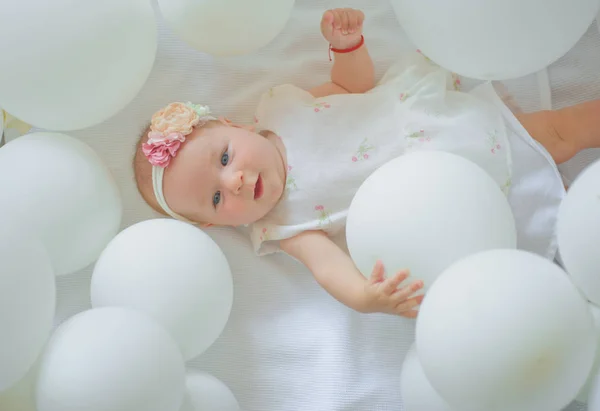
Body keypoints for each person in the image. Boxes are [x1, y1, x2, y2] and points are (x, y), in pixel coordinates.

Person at [134, 8, 599, 318]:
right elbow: (328, 269)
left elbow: (351, 87)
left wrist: (348, 46)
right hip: (447, 199)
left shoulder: (279, 107)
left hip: (439, 127)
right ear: (215, 225)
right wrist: (366, 298)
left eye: (224, 157)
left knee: (558, 130)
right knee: (554, 250)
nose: (233, 181)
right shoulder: (281, 225)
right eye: (216, 198)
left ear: (235, 125)